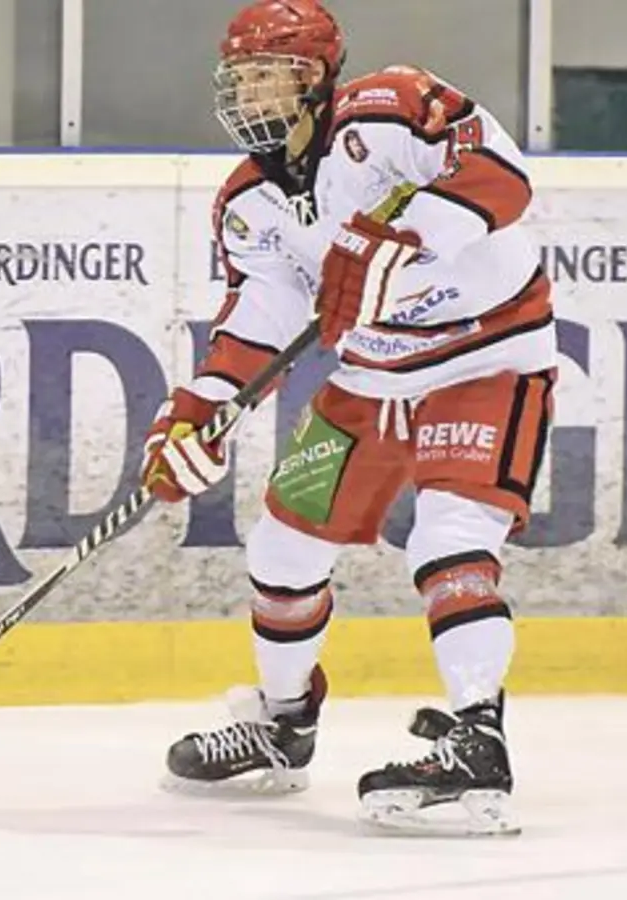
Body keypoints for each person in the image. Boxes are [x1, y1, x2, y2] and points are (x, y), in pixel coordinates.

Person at [139, 0, 555, 836]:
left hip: (487, 357)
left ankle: (478, 737)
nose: (249, 94)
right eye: (239, 78)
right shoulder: (248, 202)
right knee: (282, 546)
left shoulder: (392, 111)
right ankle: (283, 726)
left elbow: (504, 181)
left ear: (317, 78)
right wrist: (195, 414)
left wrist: (407, 235)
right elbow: (258, 320)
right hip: (369, 380)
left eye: (268, 75)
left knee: (450, 538)